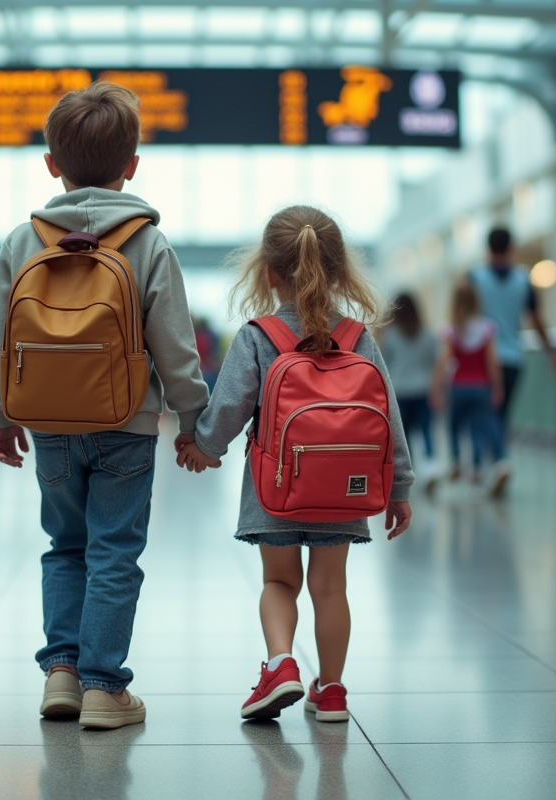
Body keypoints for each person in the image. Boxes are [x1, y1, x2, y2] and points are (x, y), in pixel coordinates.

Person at [0, 82, 209, 730]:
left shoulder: (23, 242)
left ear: (51, 163)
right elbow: (174, 346)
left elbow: (2, 336)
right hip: (127, 425)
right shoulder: (147, 242)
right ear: (131, 163)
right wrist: (194, 420)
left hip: (48, 424)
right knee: (114, 550)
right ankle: (106, 688)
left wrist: (0, 414)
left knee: (66, 546)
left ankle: (62, 674)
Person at [176, 206, 414, 724]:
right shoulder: (358, 337)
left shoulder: (258, 336)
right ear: (338, 270)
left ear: (268, 272)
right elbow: (387, 416)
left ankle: (281, 664)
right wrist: (399, 485)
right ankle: (330, 692)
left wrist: (203, 448)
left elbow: (230, 408)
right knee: (331, 587)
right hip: (345, 490)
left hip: (276, 486)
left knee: (279, 582)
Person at [469, 228, 556, 447]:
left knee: (484, 410)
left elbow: (464, 318)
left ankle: (491, 459)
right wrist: (553, 352)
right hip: (513, 358)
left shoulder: (474, 279)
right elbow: (536, 320)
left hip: (482, 359)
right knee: (502, 412)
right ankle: (499, 456)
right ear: (511, 249)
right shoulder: (523, 279)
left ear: (488, 249)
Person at [431, 280, 508, 494]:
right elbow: (493, 362)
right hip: (481, 386)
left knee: (454, 426)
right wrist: (498, 387)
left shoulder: (450, 329)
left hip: (458, 387)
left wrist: (436, 388)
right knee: (478, 428)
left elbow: (444, 360)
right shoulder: (486, 328)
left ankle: (456, 462)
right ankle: (476, 470)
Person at [381, 292, 439, 492]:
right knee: (426, 430)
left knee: (402, 435)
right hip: (422, 390)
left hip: (399, 392)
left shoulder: (391, 335)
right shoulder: (427, 334)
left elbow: (383, 364)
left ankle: (408, 473)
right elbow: (435, 362)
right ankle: (431, 468)